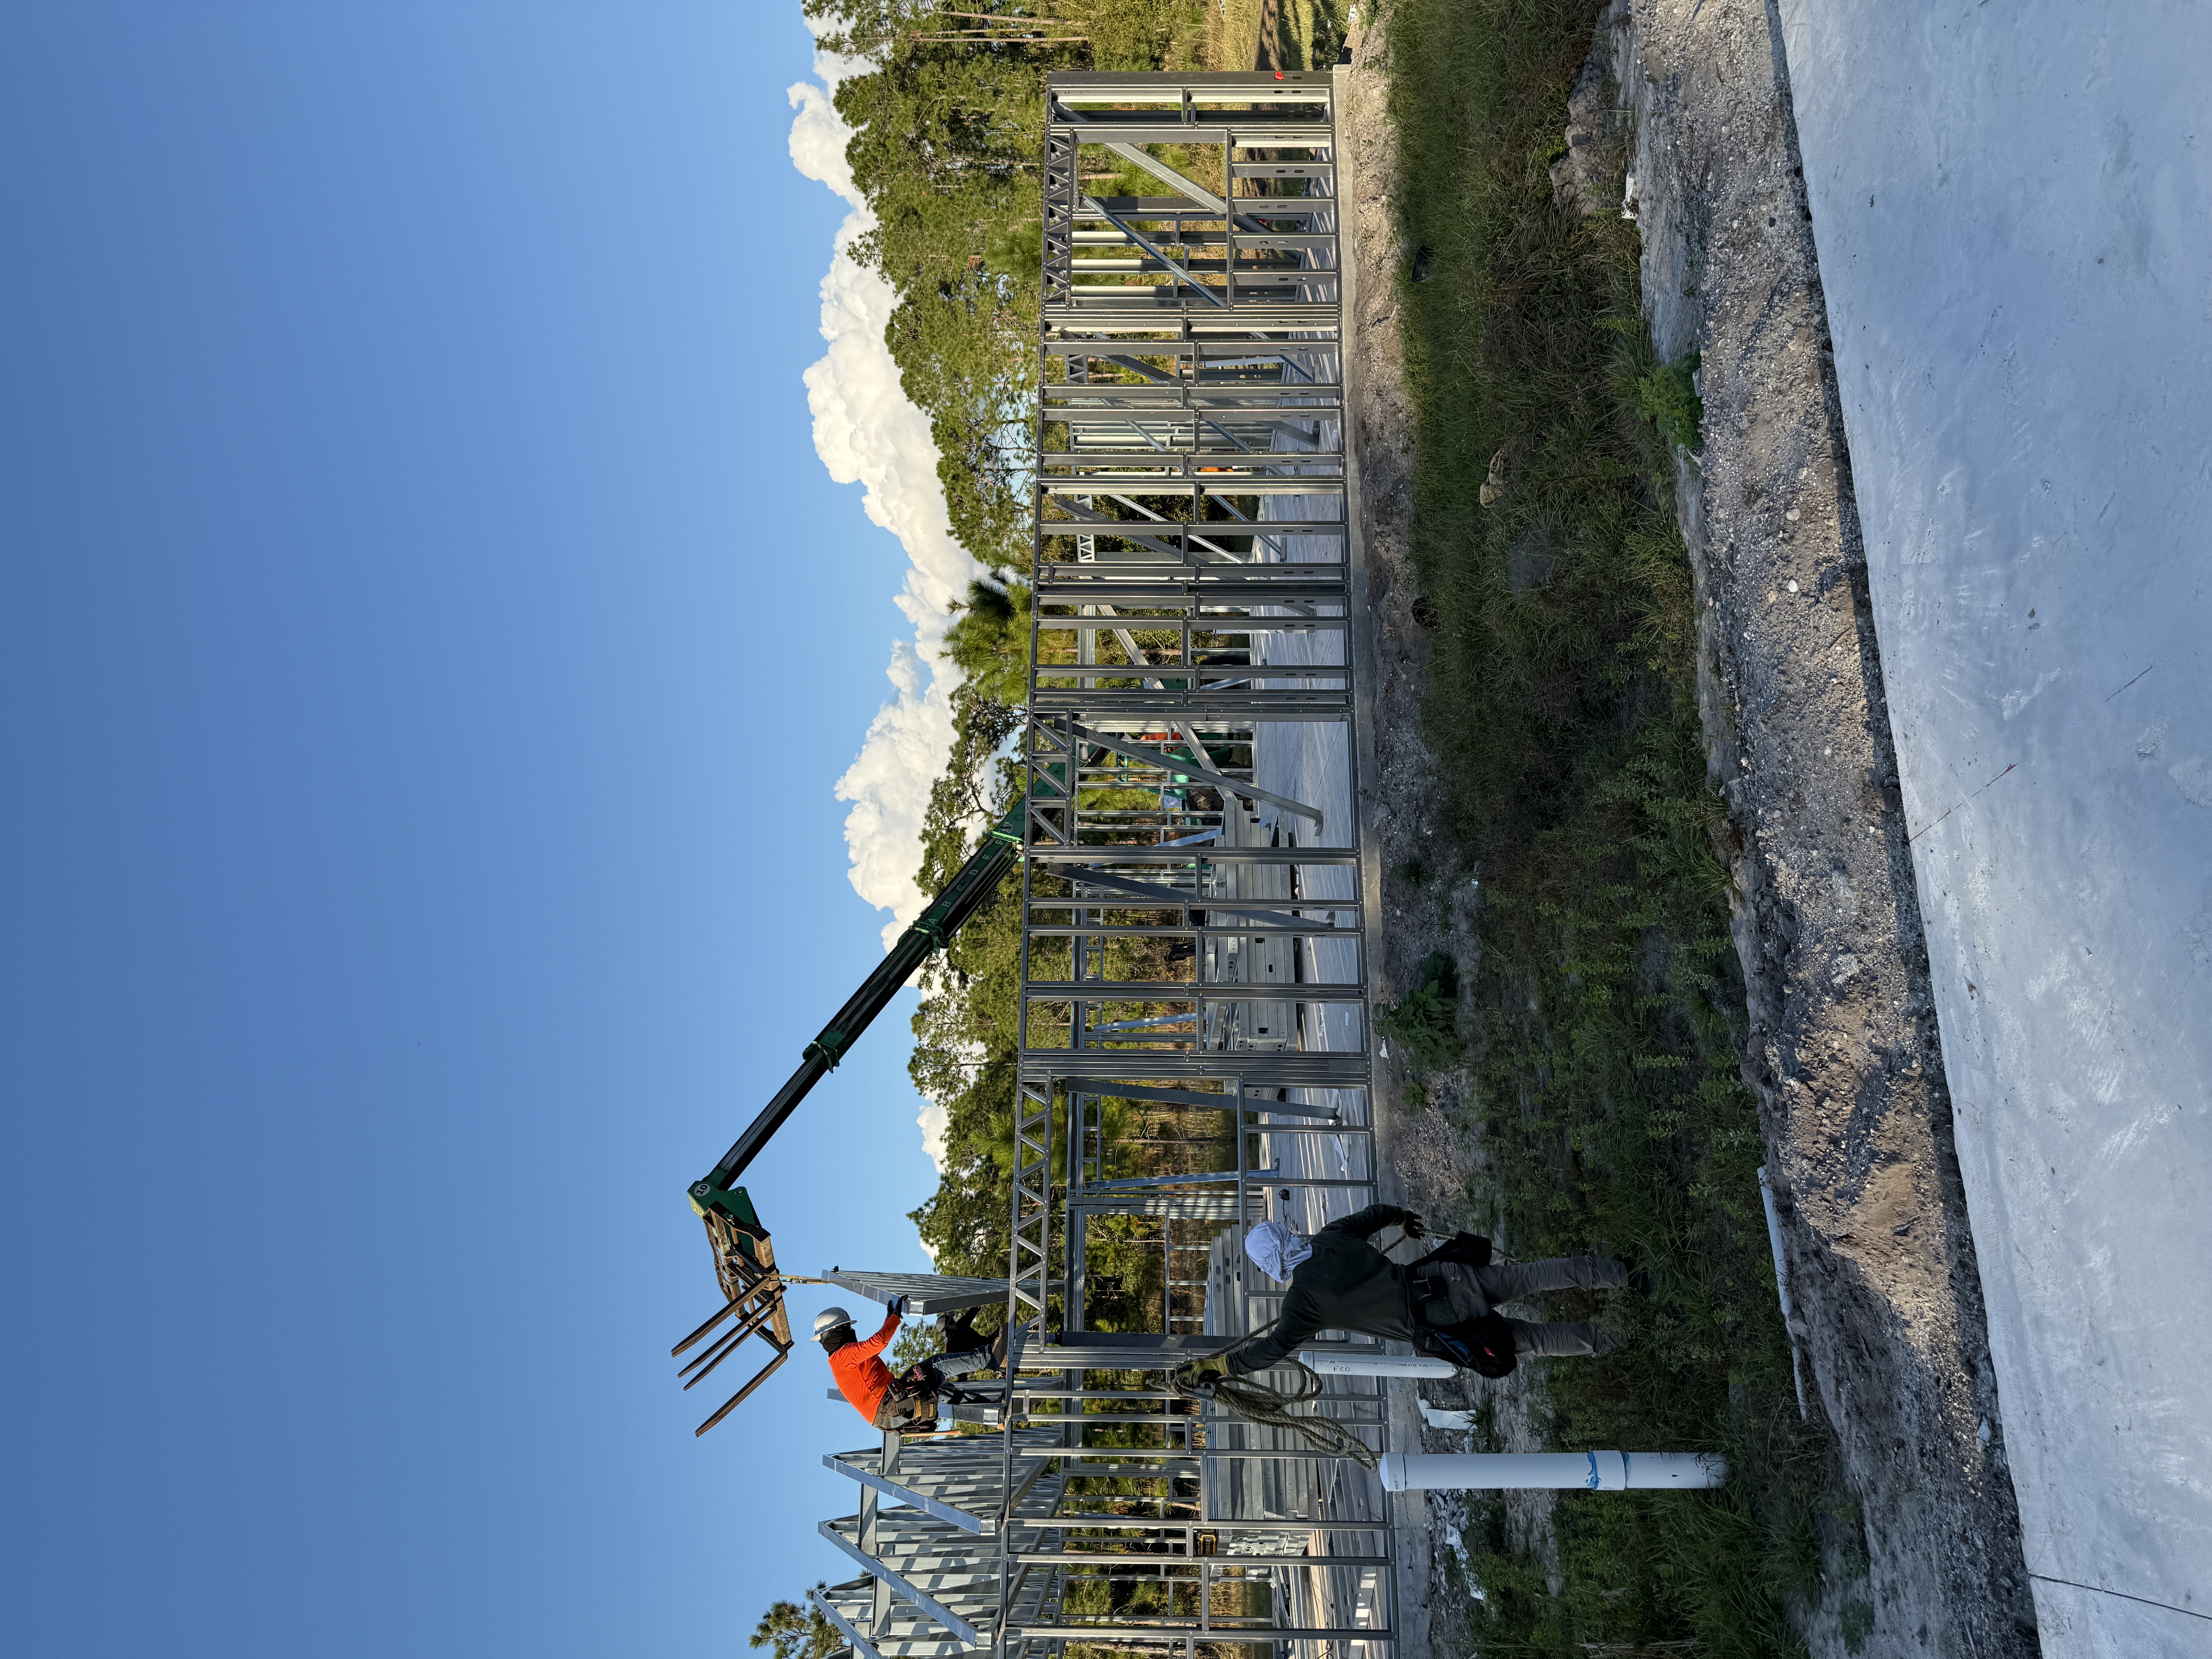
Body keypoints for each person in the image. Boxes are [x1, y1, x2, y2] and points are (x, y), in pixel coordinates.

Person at [1191, 1207, 1643, 1383]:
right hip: (1447, 1277)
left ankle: (1618, 1340)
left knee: (1535, 1341)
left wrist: (1223, 1366)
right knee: (1534, 1276)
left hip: (1445, 1325)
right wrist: (1404, 1221)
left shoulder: (1302, 1303)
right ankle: (1622, 1271)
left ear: (1272, 1266)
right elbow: (1378, 1215)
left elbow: (1273, 1348)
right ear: (1285, 1233)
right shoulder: (1331, 1237)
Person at [815, 1297, 1006, 1431]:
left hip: (891, 1413)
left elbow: (873, 1351)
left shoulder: (841, 1361)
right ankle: (991, 1357)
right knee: (936, 1366)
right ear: (837, 1331)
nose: (851, 1331)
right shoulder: (843, 1356)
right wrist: (895, 1318)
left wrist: (888, 1320)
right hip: (893, 1407)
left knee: (939, 1390)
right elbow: (878, 1343)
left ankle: (994, 1414)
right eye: (848, 1327)